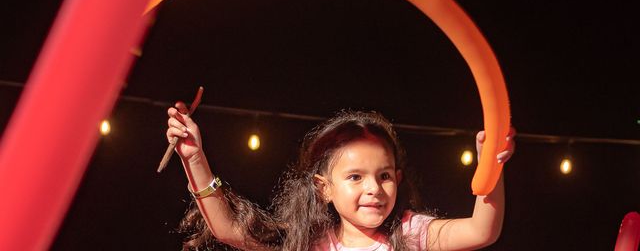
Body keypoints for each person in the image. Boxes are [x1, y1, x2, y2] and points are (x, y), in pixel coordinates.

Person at [166, 105, 515, 250]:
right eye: (355, 177)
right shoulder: (309, 241)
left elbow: (481, 230)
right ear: (324, 188)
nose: (373, 189)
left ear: (399, 176)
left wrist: (491, 170)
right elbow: (228, 229)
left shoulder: (410, 234)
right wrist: (194, 158)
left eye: (384, 176)